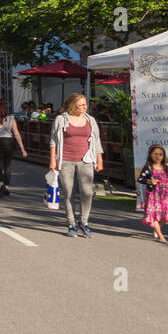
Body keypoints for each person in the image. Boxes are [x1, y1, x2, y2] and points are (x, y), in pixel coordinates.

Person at [49, 93, 104, 238]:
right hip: (65, 160)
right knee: (69, 192)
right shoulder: (61, 119)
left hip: (86, 160)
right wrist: (53, 160)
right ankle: (71, 224)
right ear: (73, 105)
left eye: (86, 104)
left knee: (87, 192)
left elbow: (97, 141)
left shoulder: (90, 120)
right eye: (82, 105)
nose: (85, 107)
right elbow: (53, 141)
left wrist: (99, 159)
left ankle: (84, 222)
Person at [0, 100, 27, 197]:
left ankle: (1, 183)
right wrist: (22, 148)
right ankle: (7, 186)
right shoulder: (11, 118)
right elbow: (16, 133)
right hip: (8, 141)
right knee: (7, 164)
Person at [136, 145, 168, 243]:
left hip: (164, 195)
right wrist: (149, 182)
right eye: (155, 154)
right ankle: (161, 236)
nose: (158, 156)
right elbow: (140, 179)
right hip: (153, 195)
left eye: (160, 154)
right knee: (154, 215)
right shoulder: (148, 167)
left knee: (164, 216)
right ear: (150, 154)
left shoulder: (167, 166)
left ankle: (157, 228)